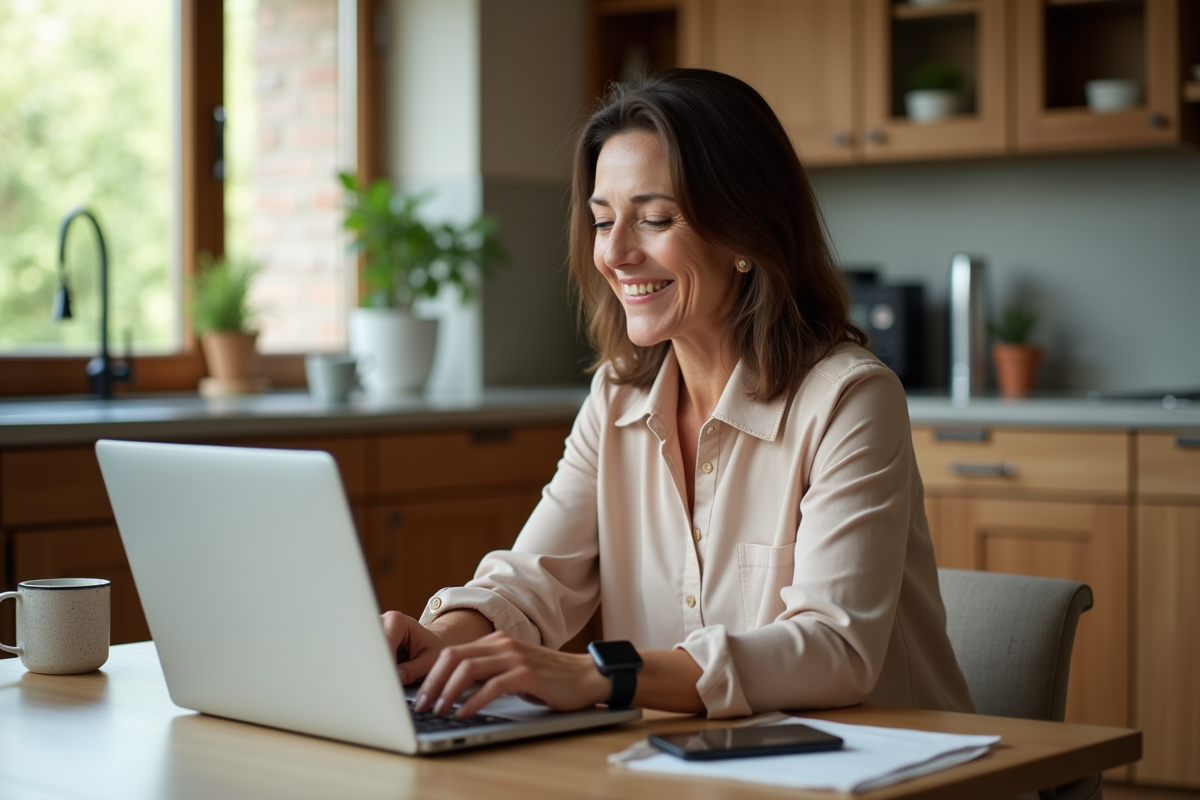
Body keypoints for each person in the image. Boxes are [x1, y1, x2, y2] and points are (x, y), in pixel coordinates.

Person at [382, 68, 973, 721]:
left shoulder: (849, 400)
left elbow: (833, 649)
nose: (617, 254)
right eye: (604, 222)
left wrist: (602, 675)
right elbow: (535, 581)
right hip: (698, 767)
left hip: (888, 768)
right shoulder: (617, 396)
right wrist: (443, 641)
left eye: (656, 219)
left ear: (746, 233)